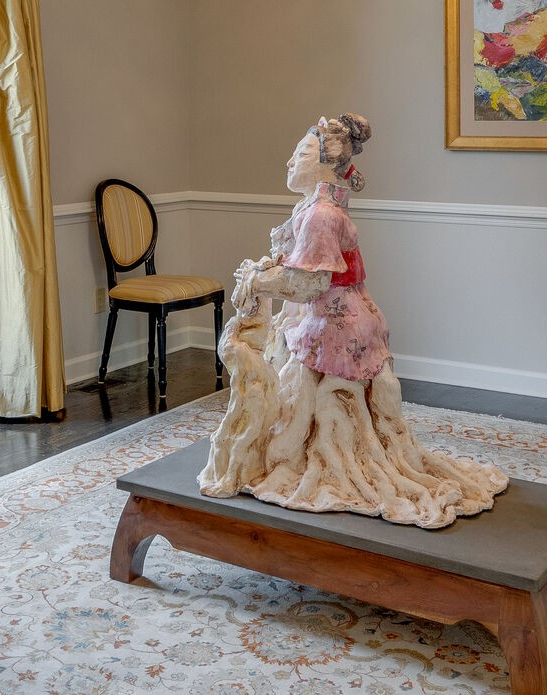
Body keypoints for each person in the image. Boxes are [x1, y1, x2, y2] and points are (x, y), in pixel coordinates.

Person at [200, 114, 506, 528]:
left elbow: (309, 283)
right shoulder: (316, 205)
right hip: (336, 317)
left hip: (333, 324)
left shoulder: (321, 214)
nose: (290, 161)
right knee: (318, 409)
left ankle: (322, 458)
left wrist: (258, 280)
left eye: (301, 153)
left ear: (327, 162)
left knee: (328, 410)